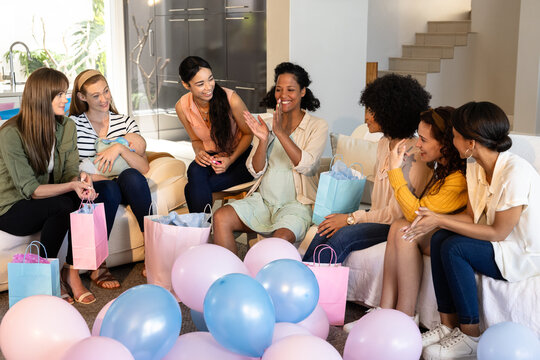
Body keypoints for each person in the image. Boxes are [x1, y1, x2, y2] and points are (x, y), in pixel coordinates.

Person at [409, 102, 540, 360]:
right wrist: (434, 221)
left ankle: (470, 335)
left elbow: (499, 232)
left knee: (454, 246)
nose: (452, 140)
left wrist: (441, 219)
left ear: (471, 143)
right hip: (497, 243)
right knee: (440, 239)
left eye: (456, 136)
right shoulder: (475, 167)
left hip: (521, 253)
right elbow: (470, 216)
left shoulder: (515, 172)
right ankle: (447, 326)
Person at [302, 74, 432, 269]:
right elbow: (379, 207)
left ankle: (316, 290)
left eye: (372, 111)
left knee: (343, 235)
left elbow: (396, 214)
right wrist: (350, 217)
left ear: (391, 113)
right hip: (378, 217)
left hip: (397, 224)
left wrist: (350, 219)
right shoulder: (383, 144)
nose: (366, 117)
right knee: (324, 229)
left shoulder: (416, 155)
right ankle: (302, 279)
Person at [0, 67, 97, 304]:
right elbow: (31, 190)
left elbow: (71, 173)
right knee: (64, 204)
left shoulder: (66, 127)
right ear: (42, 96)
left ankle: (71, 271)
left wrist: (82, 181)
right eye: (60, 94)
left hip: (49, 200)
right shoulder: (11, 133)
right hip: (12, 207)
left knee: (87, 198)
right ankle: (50, 278)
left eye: (65, 93)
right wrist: (71, 187)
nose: (66, 99)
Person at [213, 62, 328, 254]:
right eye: (279, 89)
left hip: (296, 206)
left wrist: (280, 133)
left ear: (302, 92)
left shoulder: (317, 126)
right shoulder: (265, 123)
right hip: (263, 202)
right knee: (221, 217)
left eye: (290, 89)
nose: (283, 95)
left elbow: (307, 166)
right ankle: (232, 277)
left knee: (280, 239)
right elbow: (255, 169)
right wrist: (264, 139)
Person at [379, 107, 467, 324]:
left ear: (445, 144)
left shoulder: (457, 179)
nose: (417, 144)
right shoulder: (442, 169)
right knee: (397, 226)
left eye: (424, 140)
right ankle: (384, 310)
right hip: (439, 231)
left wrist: (395, 170)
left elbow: (416, 214)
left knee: (403, 230)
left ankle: (405, 316)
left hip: (453, 237)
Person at [69, 69, 152, 288]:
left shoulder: (125, 123)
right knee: (110, 189)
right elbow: (67, 167)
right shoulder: (72, 125)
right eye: (96, 96)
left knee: (132, 176)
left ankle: (152, 251)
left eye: (106, 91)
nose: (104, 99)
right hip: (94, 186)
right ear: (82, 97)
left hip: (128, 185)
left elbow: (144, 167)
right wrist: (95, 176)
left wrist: (119, 148)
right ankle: (98, 265)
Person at [175, 56, 254, 213]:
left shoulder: (232, 99)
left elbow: (248, 134)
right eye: (200, 84)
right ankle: (205, 231)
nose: (208, 87)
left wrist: (230, 160)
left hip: (240, 158)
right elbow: (196, 140)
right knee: (194, 169)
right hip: (214, 158)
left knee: (192, 188)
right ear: (186, 85)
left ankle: (202, 233)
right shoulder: (182, 106)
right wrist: (200, 153)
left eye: (210, 79)